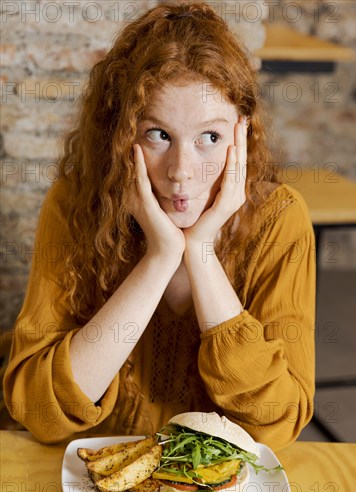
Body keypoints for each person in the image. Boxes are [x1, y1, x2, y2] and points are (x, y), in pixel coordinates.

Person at [3, 1, 316, 449]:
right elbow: (38, 412)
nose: (181, 170)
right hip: (91, 483)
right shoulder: (75, 204)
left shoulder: (280, 220)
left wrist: (202, 252)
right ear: (121, 134)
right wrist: (160, 257)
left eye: (210, 137)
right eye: (158, 135)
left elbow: (278, 422)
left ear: (241, 137)